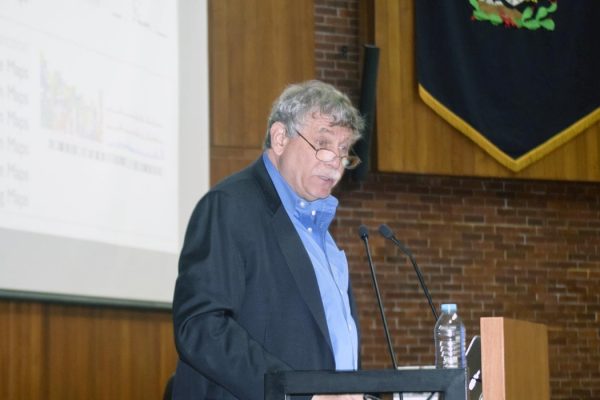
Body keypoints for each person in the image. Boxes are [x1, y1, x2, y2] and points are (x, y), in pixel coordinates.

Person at [172, 80, 365, 400]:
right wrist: (299, 394)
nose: (335, 161)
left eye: (344, 151)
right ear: (280, 138)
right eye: (323, 143)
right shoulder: (230, 207)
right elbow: (201, 327)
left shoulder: (322, 235)